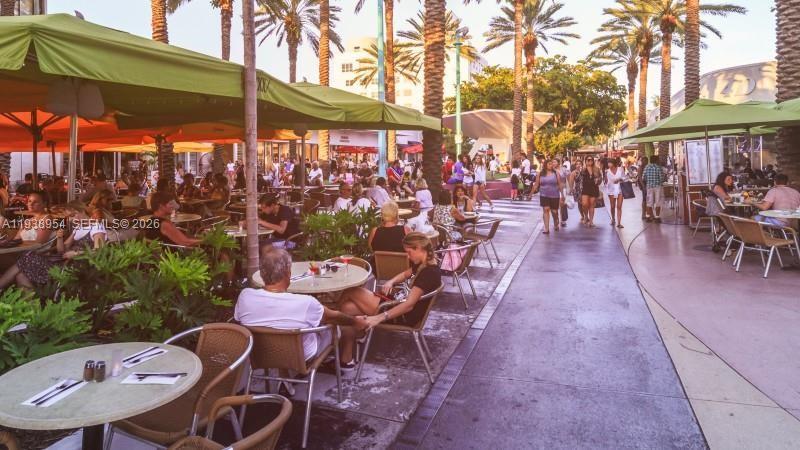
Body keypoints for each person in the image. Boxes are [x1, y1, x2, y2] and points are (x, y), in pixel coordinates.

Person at [235, 247, 367, 364]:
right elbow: (334, 317)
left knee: (283, 324)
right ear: (288, 273)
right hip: (301, 356)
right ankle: (346, 360)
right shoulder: (305, 303)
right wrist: (355, 321)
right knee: (339, 327)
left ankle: (285, 379)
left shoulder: (245, 296)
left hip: (260, 354)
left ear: (262, 273)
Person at [337, 233, 442, 369]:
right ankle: (347, 359)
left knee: (351, 292)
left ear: (419, 248)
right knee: (347, 308)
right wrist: (391, 282)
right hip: (394, 303)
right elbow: (405, 274)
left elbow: (409, 305)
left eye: (409, 253)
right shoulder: (423, 264)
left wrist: (379, 318)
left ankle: (333, 334)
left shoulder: (429, 273)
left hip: (402, 315)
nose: (408, 257)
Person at [0, 201, 107, 290]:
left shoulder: (96, 227)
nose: (71, 219)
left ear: (82, 211)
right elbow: (62, 251)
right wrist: (59, 238)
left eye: (73, 215)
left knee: (27, 257)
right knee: (21, 275)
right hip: (63, 262)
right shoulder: (79, 228)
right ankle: (32, 311)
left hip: (75, 267)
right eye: (69, 217)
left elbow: (98, 251)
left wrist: (76, 254)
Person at [532, 159, 564, 234]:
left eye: (552, 164)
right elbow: (536, 184)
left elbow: (560, 184)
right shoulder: (540, 174)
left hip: (554, 195)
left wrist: (562, 195)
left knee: (554, 211)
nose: (551, 165)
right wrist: (530, 194)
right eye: (549, 164)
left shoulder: (556, 173)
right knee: (546, 209)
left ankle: (556, 222)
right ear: (545, 165)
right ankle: (546, 229)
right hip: (544, 195)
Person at [642, 156, 666, 223]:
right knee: (658, 202)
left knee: (649, 202)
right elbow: (661, 178)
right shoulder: (658, 167)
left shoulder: (647, 167)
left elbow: (643, 177)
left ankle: (648, 216)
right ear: (656, 160)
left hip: (649, 186)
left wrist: (648, 182)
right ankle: (657, 217)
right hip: (657, 187)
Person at [580, 156, 602, 227]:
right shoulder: (583, 169)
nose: (590, 161)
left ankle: (591, 221)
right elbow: (579, 178)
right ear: (585, 161)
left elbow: (600, 178)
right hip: (585, 188)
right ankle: (586, 216)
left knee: (592, 204)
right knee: (584, 204)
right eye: (588, 160)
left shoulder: (596, 169)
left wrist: (598, 180)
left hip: (594, 188)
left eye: (591, 160)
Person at [605, 157, 626, 228]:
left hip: (620, 189)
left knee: (619, 206)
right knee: (612, 206)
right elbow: (606, 181)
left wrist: (620, 179)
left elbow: (624, 178)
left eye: (610, 162)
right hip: (611, 190)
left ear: (613, 163)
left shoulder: (620, 169)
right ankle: (613, 219)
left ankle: (619, 223)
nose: (608, 164)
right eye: (608, 163)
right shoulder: (607, 171)